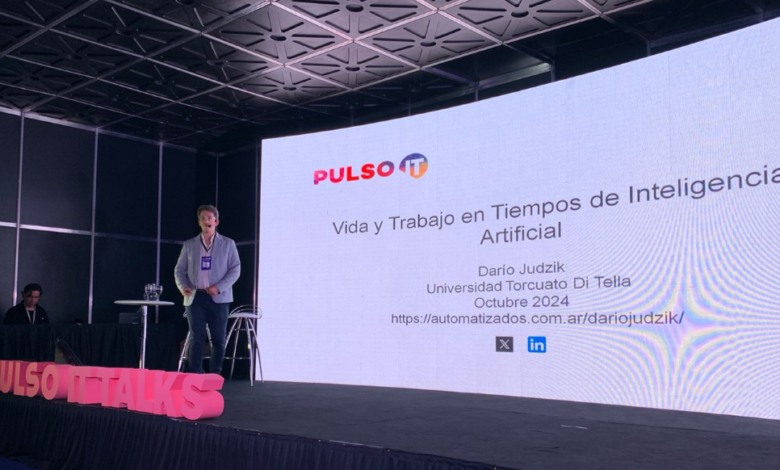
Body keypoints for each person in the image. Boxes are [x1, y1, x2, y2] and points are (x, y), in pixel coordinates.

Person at [175, 205, 240, 374]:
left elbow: (235, 269)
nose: (206, 221)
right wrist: (183, 286)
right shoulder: (189, 244)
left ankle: (214, 375)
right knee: (197, 338)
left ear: (216, 221)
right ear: (199, 222)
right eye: (203, 218)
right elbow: (179, 269)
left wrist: (219, 287)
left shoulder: (228, 244)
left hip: (218, 297)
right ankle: (195, 375)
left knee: (218, 339)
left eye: (209, 218)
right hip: (195, 296)